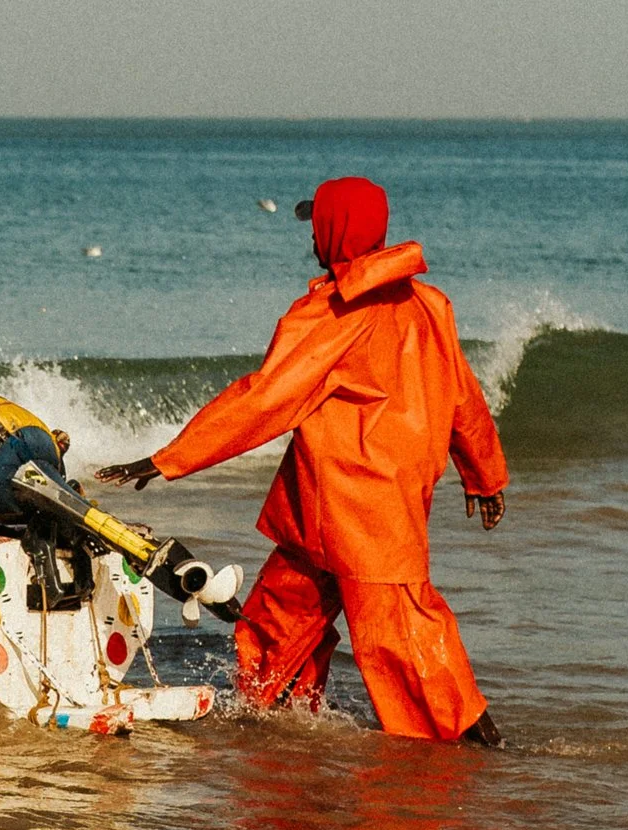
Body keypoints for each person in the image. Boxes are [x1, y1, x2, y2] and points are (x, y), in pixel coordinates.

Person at [96, 178, 508, 745]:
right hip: (336, 513)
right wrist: (483, 473)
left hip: (362, 517)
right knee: (273, 629)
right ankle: (286, 746)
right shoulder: (430, 305)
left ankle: (486, 757)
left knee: (409, 653)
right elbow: (464, 394)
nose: (312, 236)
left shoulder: (331, 316)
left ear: (332, 232)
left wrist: (168, 458)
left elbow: (264, 398)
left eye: (317, 225)